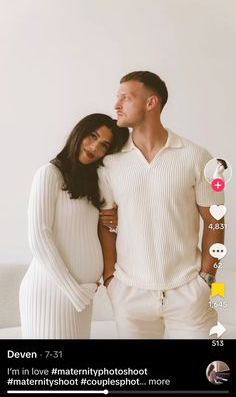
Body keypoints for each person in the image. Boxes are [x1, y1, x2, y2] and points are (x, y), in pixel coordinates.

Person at [98, 71, 225, 339]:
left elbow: (215, 219)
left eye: (125, 97)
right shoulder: (110, 163)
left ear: (150, 103)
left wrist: (207, 278)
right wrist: (111, 278)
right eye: (116, 97)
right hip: (130, 293)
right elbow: (106, 226)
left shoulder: (197, 157)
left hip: (189, 292)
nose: (116, 105)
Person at [19, 113, 129, 339]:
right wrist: (72, 290)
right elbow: (39, 237)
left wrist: (117, 219)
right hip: (52, 291)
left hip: (82, 294)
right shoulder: (49, 174)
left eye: (104, 145)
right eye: (92, 136)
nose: (94, 147)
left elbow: (93, 230)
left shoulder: (93, 184)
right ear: (79, 133)